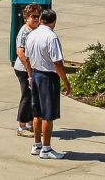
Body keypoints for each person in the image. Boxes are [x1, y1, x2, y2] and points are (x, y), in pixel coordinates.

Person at [26, 8, 72, 159]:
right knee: (48, 115)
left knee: (37, 113)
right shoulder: (51, 37)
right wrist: (66, 81)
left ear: (40, 20)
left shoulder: (31, 35)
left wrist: (30, 75)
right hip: (48, 77)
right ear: (54, 22)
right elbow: (57, 62)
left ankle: (36, 144)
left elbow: (26, 57)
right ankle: (46, 148)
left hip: (36, 74)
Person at [14, 3, 43, 137]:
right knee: (26, 95)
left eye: (38, 16)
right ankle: (22, 126)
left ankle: (30, 123)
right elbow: (20, 53)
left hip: (32, 69)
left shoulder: (34, 30)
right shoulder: (24, 32)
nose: (37, 19)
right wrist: (29, 71)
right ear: (27, 17)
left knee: (33, 96)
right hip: (23, 69)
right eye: (34, 16)